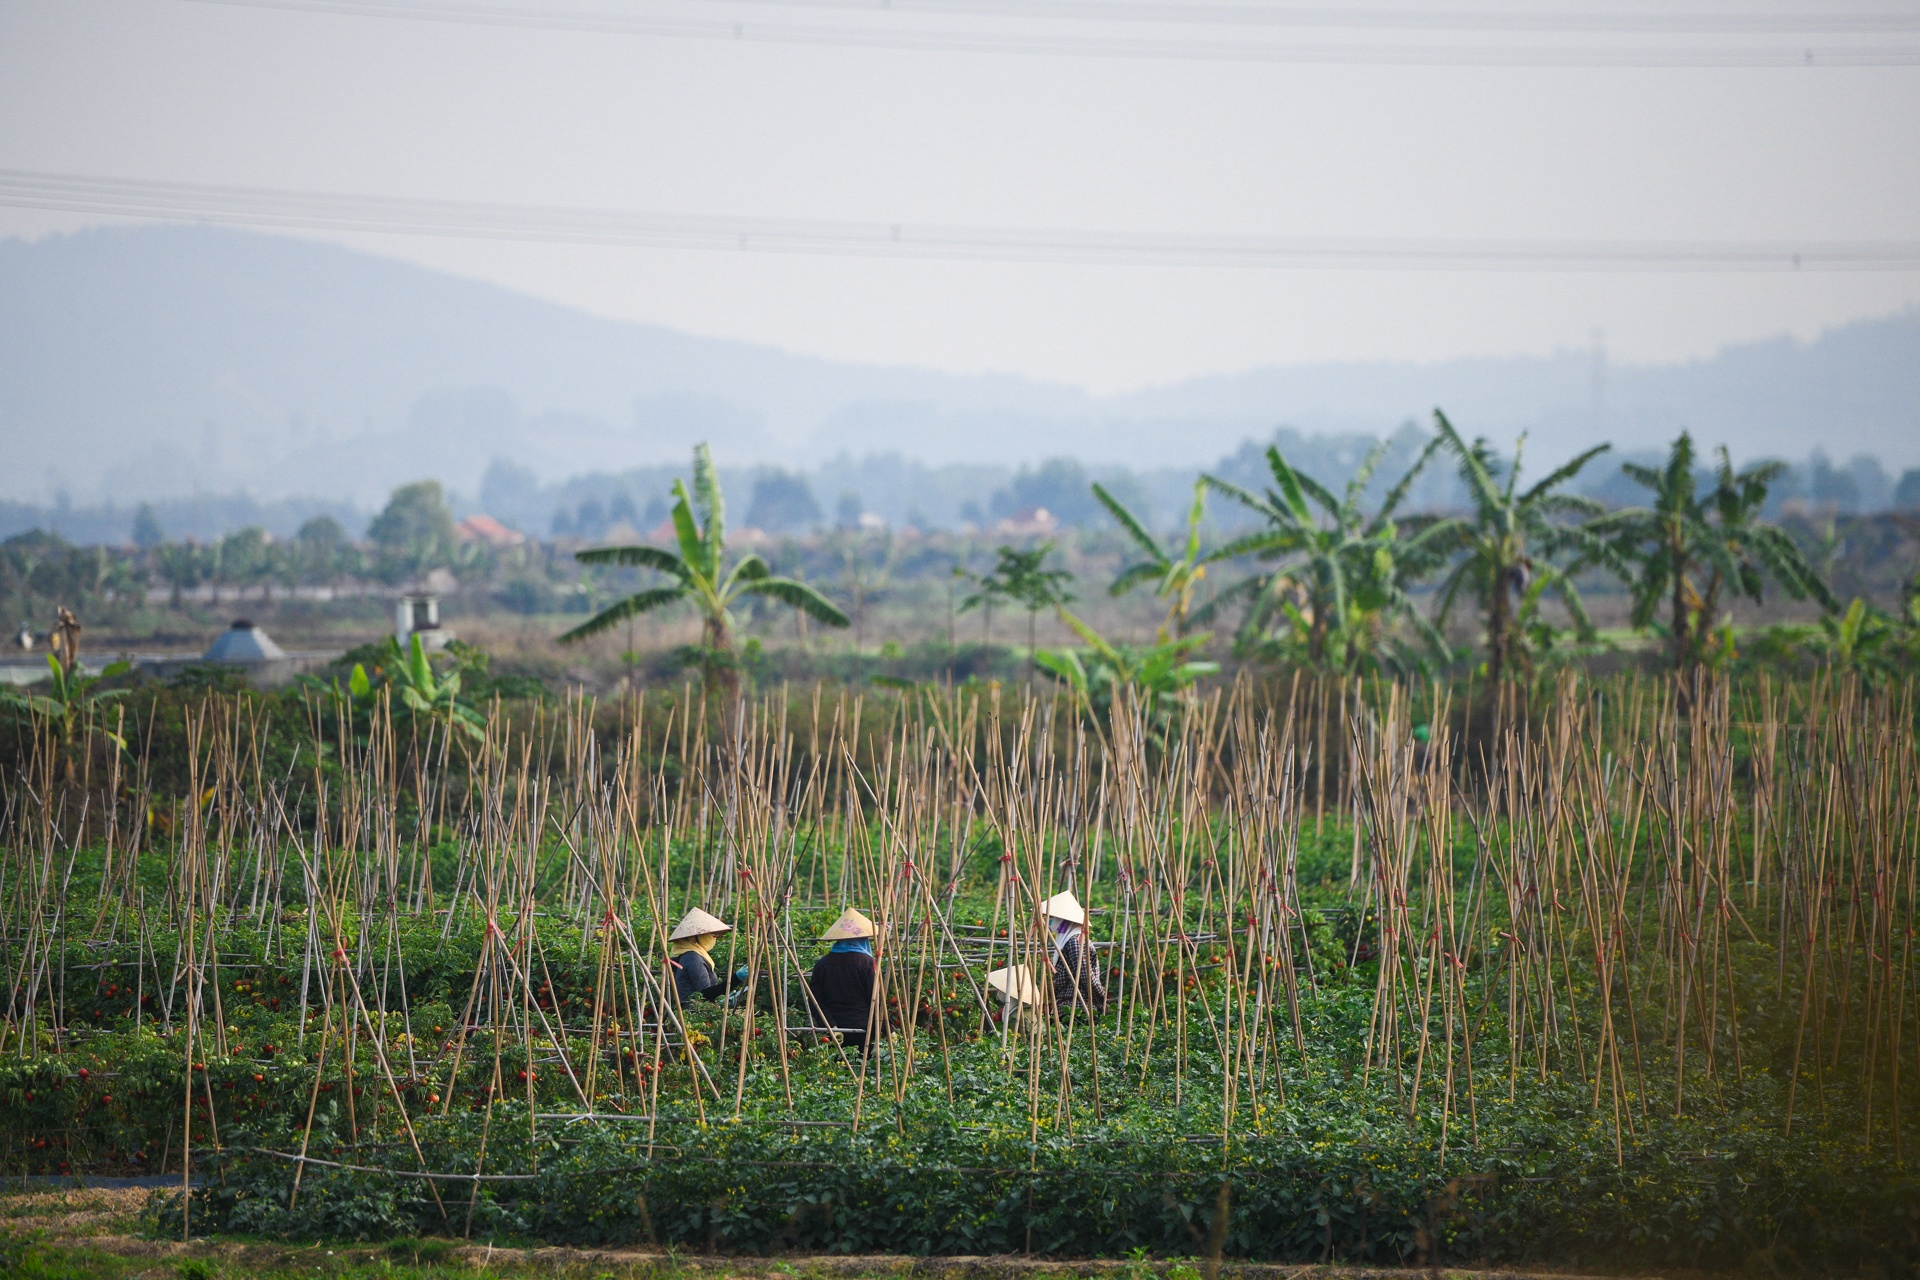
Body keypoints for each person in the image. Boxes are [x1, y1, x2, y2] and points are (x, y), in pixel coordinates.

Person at [807, 908, 883, 1049]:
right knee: (863, 1066)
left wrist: (829, 1026)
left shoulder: (823, 963)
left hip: (835, 1030)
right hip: (863, 1029)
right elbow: (875, 999)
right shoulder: (866, 963)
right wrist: (887, 1028)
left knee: (836, 1068)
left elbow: (814, 999)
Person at [1041, 890, 1107, 1017]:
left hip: (1077, 1009)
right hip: (1068, 1008)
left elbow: (1085, 976)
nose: (1051, 921)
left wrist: (1101, 998)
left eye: (1054, 917)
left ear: (1064, 920)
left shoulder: (1075, 942)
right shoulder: (1068, 940)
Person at [666, 907, 745, 1005]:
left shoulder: (688, 955)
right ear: (696, 937)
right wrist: (736, 979)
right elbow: (706, 994)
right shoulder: (693, 958)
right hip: (694, 1013)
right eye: (711, 934)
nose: (714, 938)